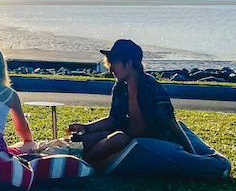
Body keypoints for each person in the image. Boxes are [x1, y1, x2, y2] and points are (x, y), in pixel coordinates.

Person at [67, 38, 194, 172]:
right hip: (128, 134)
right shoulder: (120, 87)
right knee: (83, 140)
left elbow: (171, 123)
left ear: (128, 63)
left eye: (114, 63)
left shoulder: (151, 88)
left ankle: (78, 164)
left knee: (118, 139)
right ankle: (68, 159)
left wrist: (192, 154)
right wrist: (86, 128)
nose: (110, 69)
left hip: (150, 142)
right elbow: (114, 119)